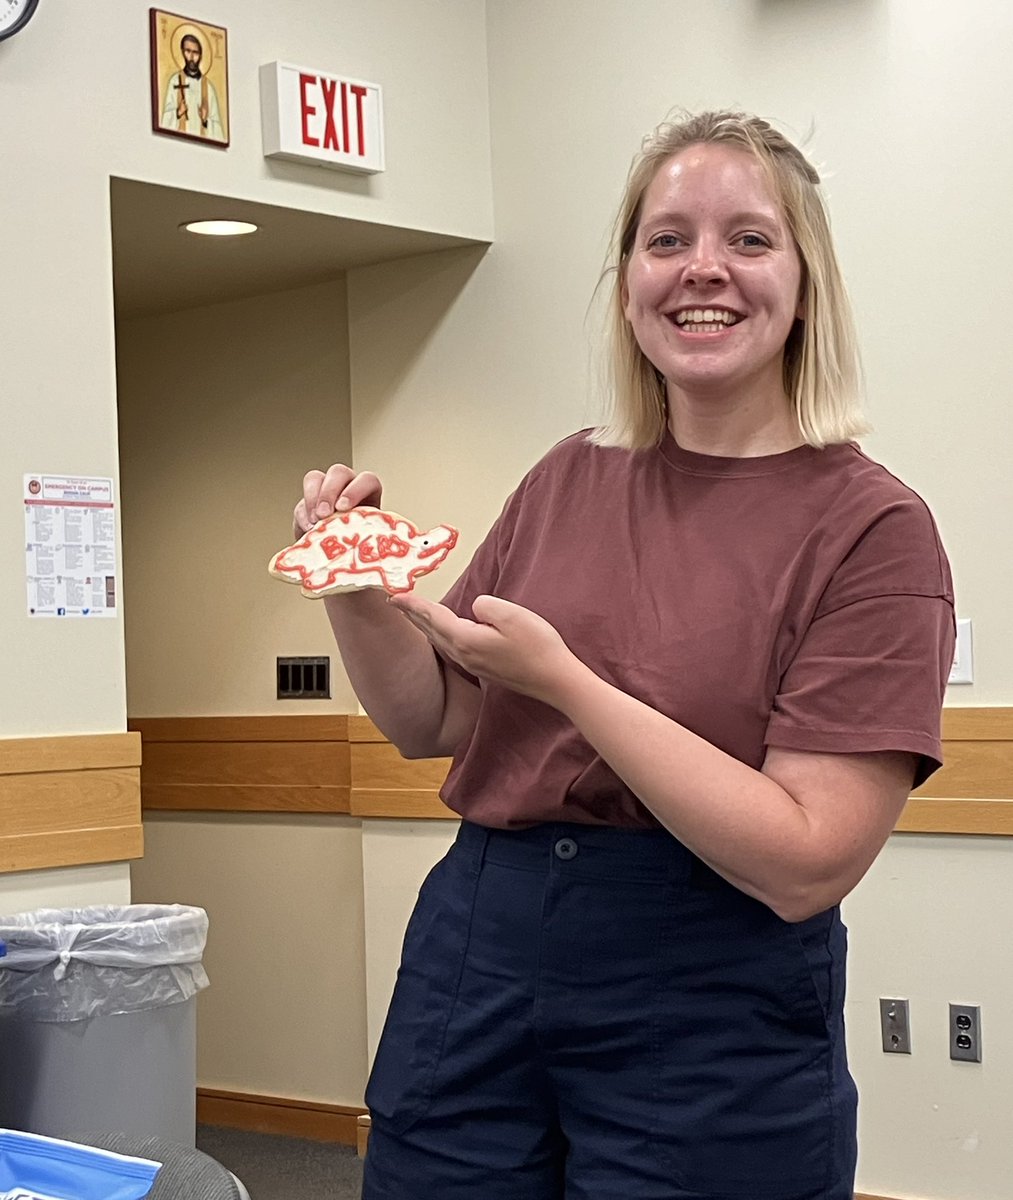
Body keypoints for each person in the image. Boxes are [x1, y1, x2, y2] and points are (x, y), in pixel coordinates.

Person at [293, 110, 955, 1200]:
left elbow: (804, 859)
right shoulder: (568, 475)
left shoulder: (870, 528)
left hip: (707, 975)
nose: (703, 270)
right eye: (665, 240)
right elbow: (436, 723)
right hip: (481, 945)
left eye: (747, 239)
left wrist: (567, 685)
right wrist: (356, 593)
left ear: (804, 283)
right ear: (626, 281)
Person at [161, 32, 223, 140]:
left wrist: (205, 121)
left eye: (195, 53)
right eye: (188, 51)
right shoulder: (175, 81)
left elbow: (219, 132)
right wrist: (178, 112)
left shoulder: (208, 87)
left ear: (201, 55)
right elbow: (163, 121)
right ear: (182, 52)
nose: (191, 57)